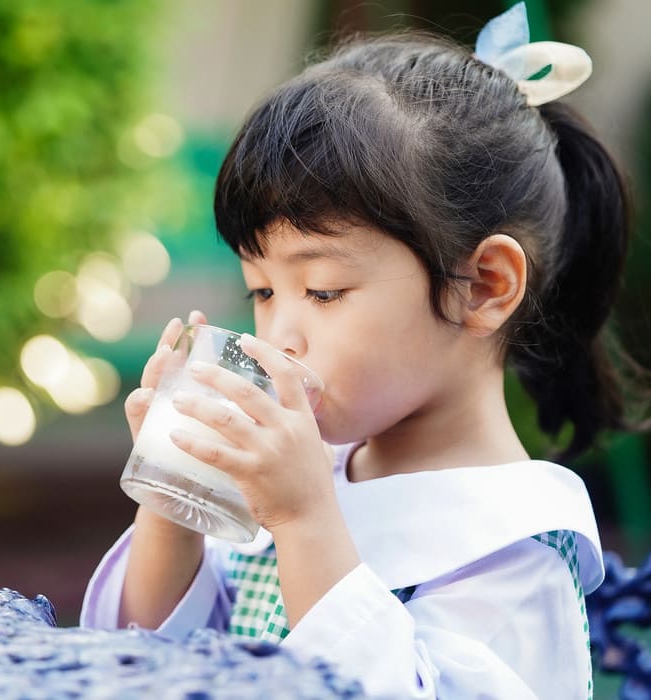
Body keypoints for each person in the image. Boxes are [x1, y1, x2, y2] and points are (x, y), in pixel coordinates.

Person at [81, 5, 645, 697]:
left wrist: (304, 521)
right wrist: (178, 497)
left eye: (321, 291)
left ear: (484, 286)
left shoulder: (513, 544)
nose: (277, 335)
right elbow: (136, 659)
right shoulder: (312, 468)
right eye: (261, 291)